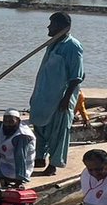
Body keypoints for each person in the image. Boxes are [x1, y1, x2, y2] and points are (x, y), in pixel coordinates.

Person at [30, 11, 84, 176]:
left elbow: (77, 76)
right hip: (43, 95)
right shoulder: (52, 43)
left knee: (57, 132)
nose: (49, 27)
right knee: (39, 127)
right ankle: (39, 158)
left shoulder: (72, 46)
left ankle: (53, 165)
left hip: (59, 98)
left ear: (63, 27)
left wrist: (66, 99)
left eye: (52, 24)